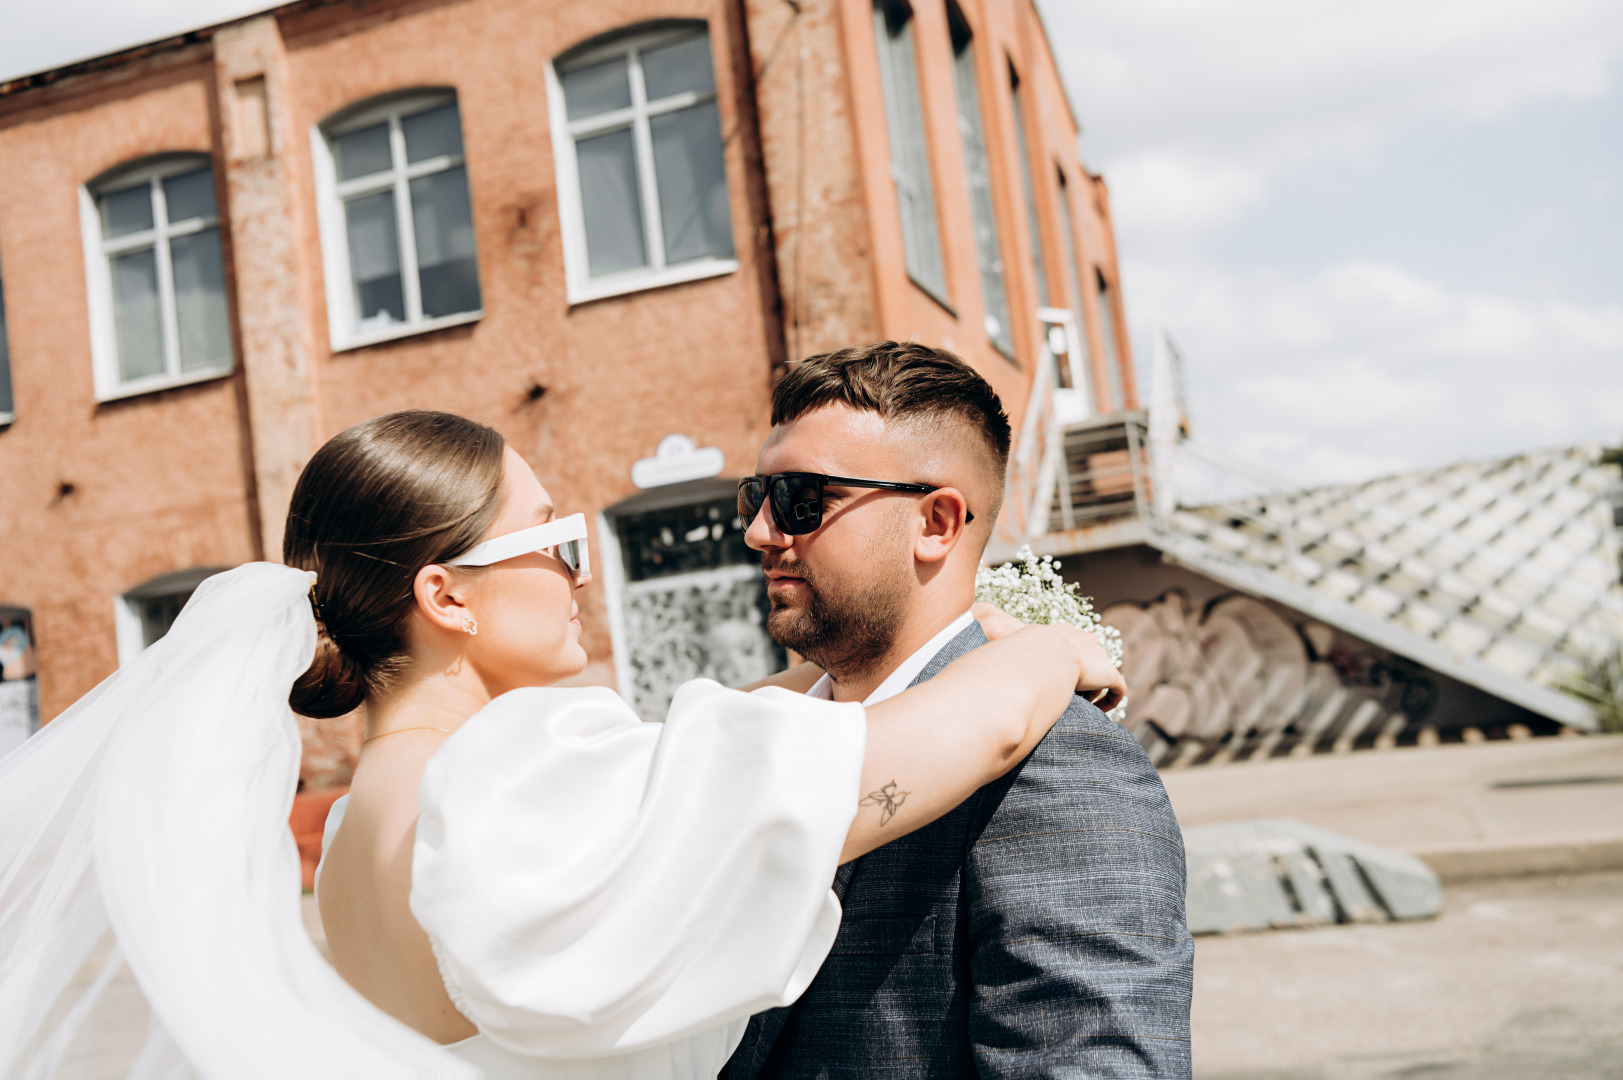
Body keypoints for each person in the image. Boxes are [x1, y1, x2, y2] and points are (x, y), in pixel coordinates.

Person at [0, 409, 1123, 1078]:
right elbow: (885, 763)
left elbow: (701, 763)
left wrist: (827, 672)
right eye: (556, 540)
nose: (579, 573)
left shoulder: (358, 828)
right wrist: (1046, 653)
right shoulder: (513, 769)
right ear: (447, 596)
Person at [722, 343, 1194, 1080]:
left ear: (936, 523)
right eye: (756, 497)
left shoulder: (1059, 763)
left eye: (800, 499)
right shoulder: (755, 741)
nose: (759, 532)